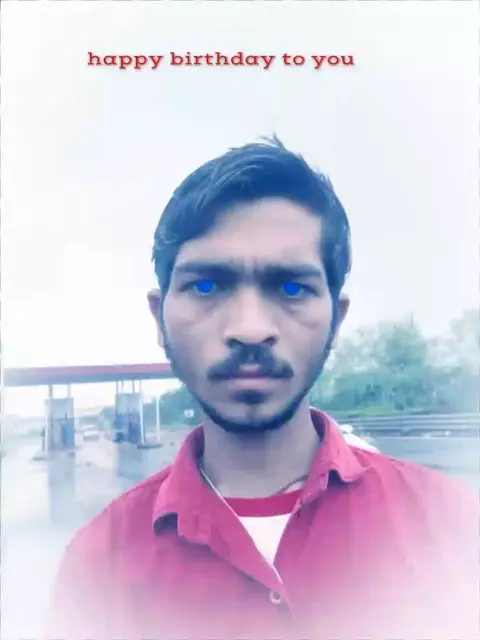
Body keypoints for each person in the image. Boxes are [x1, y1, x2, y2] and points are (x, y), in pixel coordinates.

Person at [46, 138, 478, 640]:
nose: (250, 329)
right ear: (159, 318)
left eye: (292, 288)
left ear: (336, 320)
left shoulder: (455, 526)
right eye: (206, 286)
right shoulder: (96, 568)